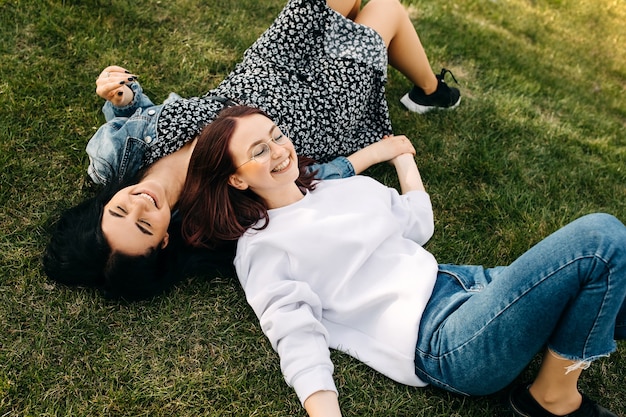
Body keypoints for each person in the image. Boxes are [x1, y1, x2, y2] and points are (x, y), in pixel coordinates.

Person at [178, 105, 626, 417]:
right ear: (236, 178)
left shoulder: (338, 190)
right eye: (258, 150)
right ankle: (552, 397)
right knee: (601, 240)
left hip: (469, 283)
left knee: (612, 281)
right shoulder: (263, 246)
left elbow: (415, 224)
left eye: (276, 135)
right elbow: (294, 334)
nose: (279, 150)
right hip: (443, 338)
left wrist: (402, 158)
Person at [43, 0, 461, 300]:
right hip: (313, 116)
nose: (139, 205)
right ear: (165, 241)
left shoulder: (114, 158)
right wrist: (371, 155)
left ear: (102, 205)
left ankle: (422, 84)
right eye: (144, 225)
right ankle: (430, 91)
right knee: (385, 8)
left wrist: (121, 96)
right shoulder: (215, 218)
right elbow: (303, 187)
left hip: (257, 76)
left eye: (119, 211)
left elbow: (143, 113)